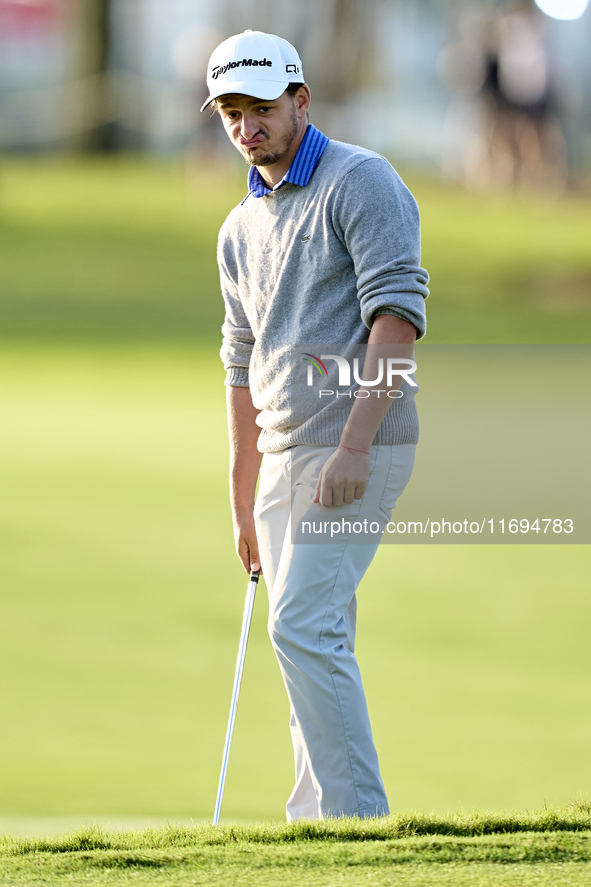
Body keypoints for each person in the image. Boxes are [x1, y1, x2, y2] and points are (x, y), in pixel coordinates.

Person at [201, 29, 429, 821]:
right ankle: (318, 820)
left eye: (260, 108)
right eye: (231, 111)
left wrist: (355, 446)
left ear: (301, 99)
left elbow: (395, 319)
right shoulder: (238, 228)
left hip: (356, 441)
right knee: (311, 638)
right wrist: (240, 500)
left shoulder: (359, 181)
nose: (245, 126)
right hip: (281, 451)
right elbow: (240, 365)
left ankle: (356, 820)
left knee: (300, 625)